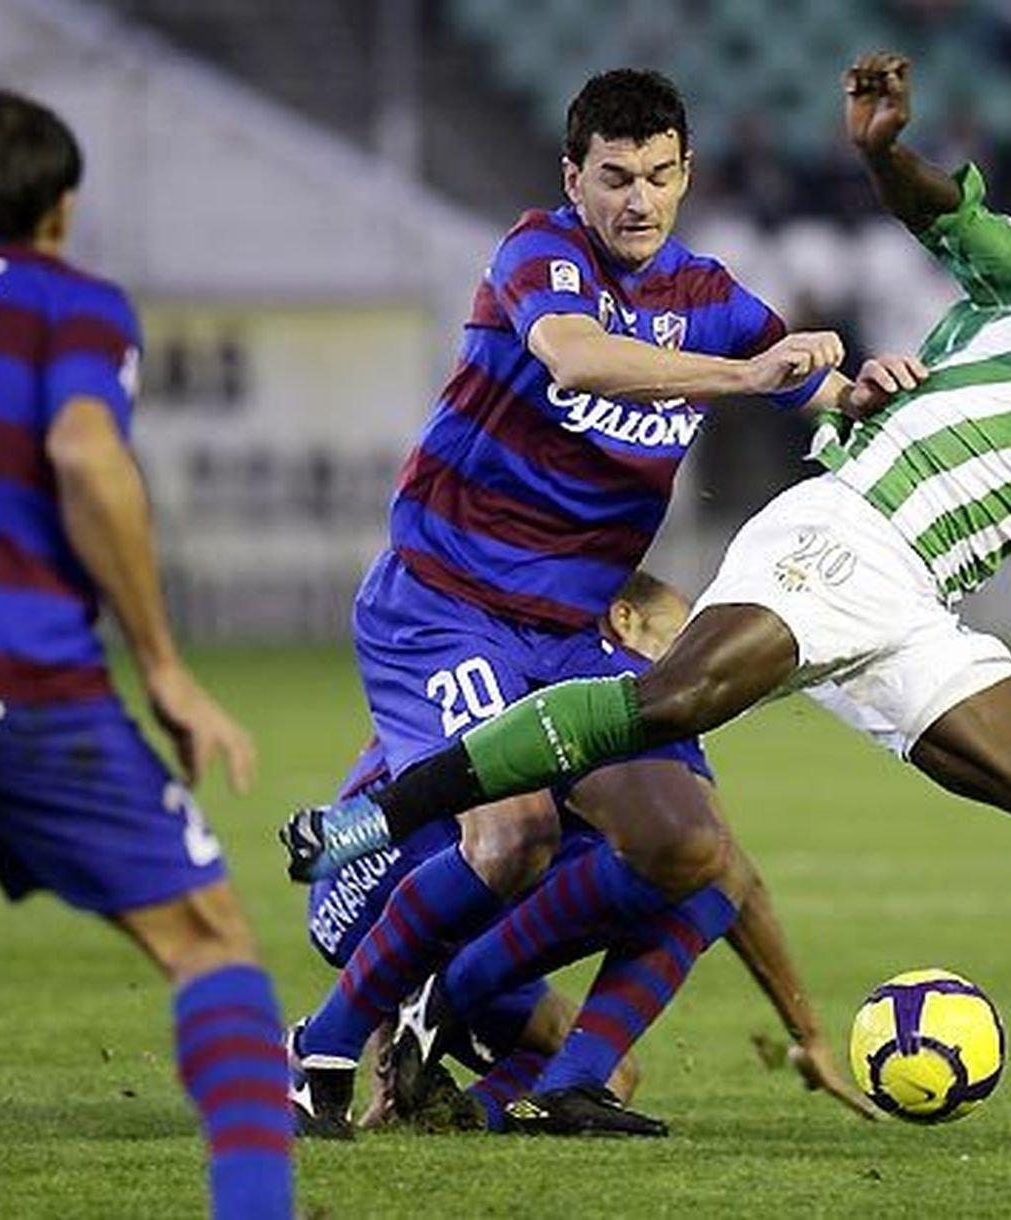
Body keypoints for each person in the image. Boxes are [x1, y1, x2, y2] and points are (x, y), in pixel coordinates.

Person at [286, 53, 1011, 1152]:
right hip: (637, 571)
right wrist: (883, 154)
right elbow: (592, 353)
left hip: (880, 609)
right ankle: (368, 869)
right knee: (584, 775)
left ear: (685, 175)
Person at [281, 68, 923, 1138]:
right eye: (615, 177)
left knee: (688, 844)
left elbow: (815, 386)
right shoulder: (538, 255)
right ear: (572, 176)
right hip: (443, 606)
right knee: (513, 831)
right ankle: (327, 1043)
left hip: (572, 638)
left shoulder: (708, 295)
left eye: (659, 177)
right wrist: (744, 376)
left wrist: (864, 384)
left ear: (686, 176)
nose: (637, 200)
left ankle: (482, 1031)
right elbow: (582, 358)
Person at [0, 91, 292, 1213]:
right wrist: (162, 666)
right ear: (61, 209)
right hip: (14, 675)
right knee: (212, 941)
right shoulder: (71, 304)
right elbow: (86, 454)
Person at [302, 573, 873, 1137]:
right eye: (683, 638)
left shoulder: (514, 659)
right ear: (625, 619)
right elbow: (731, 877)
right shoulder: (619, 675)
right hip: (445, 883)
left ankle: (456, 1104)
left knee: (619, 1070)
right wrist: (809, 1034)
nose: (696, 662)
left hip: (354, 902)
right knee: (698, 872)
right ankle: (459, 1012)